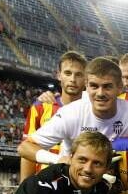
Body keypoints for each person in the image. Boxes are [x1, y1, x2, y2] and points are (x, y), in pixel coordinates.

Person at [18, 57, 128, 166]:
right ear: (86, 86)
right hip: (73, 181)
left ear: (120, 88)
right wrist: (59, 160)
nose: (100, 93)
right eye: (94, 86)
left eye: (107, 86)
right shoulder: (71, 114)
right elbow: (25, 147)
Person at [19, 50, 86, 182]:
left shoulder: (92, 110)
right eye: (68, 73)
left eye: (78, 75)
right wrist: (23, 189)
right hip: (45, 183)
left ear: (86, 79)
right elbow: (27, 151)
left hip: (79, 184)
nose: (73, 79)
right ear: (59, 75)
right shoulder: (40, 107)